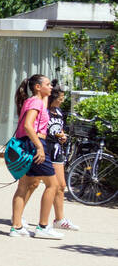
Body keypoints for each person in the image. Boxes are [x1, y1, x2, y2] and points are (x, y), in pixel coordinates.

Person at [9, 73, 62, 238]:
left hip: (27, 144)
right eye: (48, 84)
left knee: (24, 185)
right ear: (38, 87)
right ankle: (43, 227)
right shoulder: (36, 102)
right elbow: (28, 125)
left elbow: (41, 108)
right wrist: (39, 147)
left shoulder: (35, 101)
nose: (51, 87)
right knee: (53, 185)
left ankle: (16, 227)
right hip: (35, 144)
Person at [45, 86, 80, 232]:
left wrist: (62, 135)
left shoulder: (59, 112)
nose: (61, 101)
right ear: (52, 98)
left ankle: (59, 219)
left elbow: (59, 129)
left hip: (57, 151)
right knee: (31, 184)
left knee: (60, 185)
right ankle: (18, 216)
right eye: (60, 98)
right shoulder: (43, 111)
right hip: (44, 150)